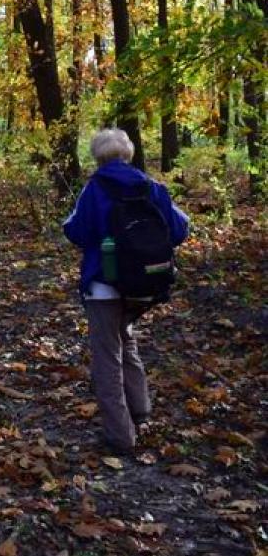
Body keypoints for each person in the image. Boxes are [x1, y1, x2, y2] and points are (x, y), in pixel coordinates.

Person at [63, 127, 189, 455]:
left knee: (107, 354)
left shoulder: (93, 189)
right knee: (126, 338)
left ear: (98, 156)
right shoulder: (152, 187)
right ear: (129, 153)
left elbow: (76, 231)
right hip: (147, 284)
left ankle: (120, 436)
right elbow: (179, 228)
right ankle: (140, 410)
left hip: (104, 285)